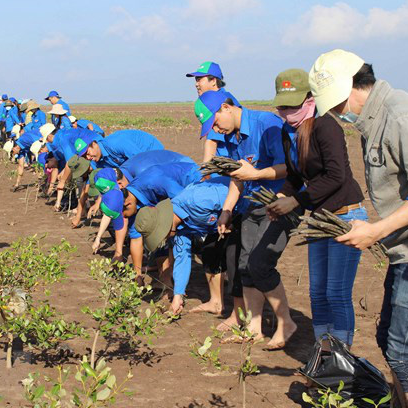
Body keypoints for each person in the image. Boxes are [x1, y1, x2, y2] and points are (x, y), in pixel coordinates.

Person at [309, 49, 408, 408]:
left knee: (405, 354)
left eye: (338, 102)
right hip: (404, 251)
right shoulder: (371, 120)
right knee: (390, 341)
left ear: (354, 86)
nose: (338, 112)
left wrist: (375, 230)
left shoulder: (401, 115)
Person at [266, 68, 366, 348]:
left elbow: (337, 176)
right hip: (320, 218)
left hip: (345, 215)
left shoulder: (325, 125)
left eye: (294, 105)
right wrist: (280, 199)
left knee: (336, 292)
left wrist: (296, 201)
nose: (287, 111)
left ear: (310, 99)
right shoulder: (290, 133)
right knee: (317, 293)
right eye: (283, 106)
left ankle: (341, 355)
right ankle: (324, 353)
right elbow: (296, 177)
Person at [198, 89, 298, 349]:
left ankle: (285, 321)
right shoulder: (232, 137)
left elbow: (290, 167)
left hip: (280, 202)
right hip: (252, 206)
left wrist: (256, 175)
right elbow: (237, 177)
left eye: (216, 121)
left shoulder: (268, 126)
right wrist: (227, 210)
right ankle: (254, 328)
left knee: (260, 263)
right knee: (245, 265)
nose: (216, 129)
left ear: (227, 108)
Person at [135, 177, 230, 314]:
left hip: (245, 209)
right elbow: (182, 258)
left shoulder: (197, 199)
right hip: (219, 227)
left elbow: (236, 193)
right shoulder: (178, 229)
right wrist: (178, 296)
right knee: (209, 253)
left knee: (240, 263)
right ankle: (216, 303)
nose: (164, 239)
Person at [187, 61, 241, 161]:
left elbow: (212, 141)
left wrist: (206, 170)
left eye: (199, 79)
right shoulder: (216, 99)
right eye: (196, 80)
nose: (196, 84)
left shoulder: (220, 103)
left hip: (227, 162)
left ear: (213, 81)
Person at [75, 129, 164, 169]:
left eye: (87, 153)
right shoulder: (98, 161)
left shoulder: (115, 143)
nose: (88, 158)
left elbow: (141, 161)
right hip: (136, 161)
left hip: (151, 152)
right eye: (84, 157)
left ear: (94, 144)